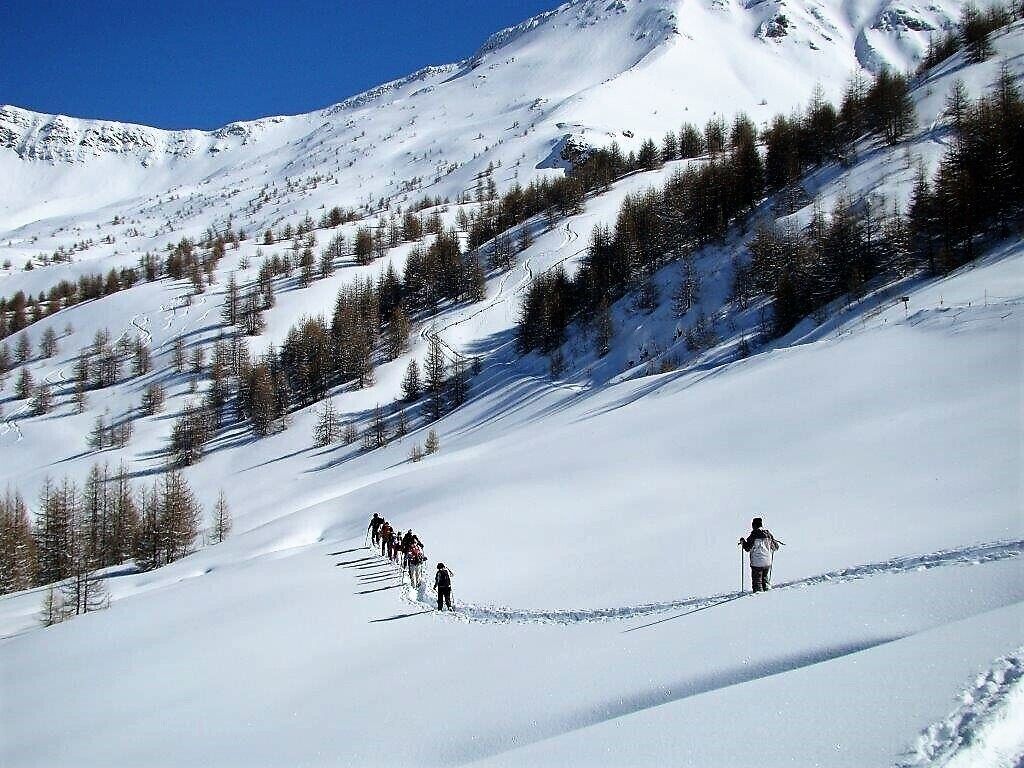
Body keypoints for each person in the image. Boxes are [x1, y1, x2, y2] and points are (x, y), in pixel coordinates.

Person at [739, 517, 781, 593]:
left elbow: (747, 548)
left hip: (756, 563)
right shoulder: (768, 534)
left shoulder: (753, 535)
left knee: (757, 583)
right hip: (767, 562)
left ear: (754, 525)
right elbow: (775, 547)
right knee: (765, 580)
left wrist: (743, 542)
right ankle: (768, 594)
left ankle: (759, 598)